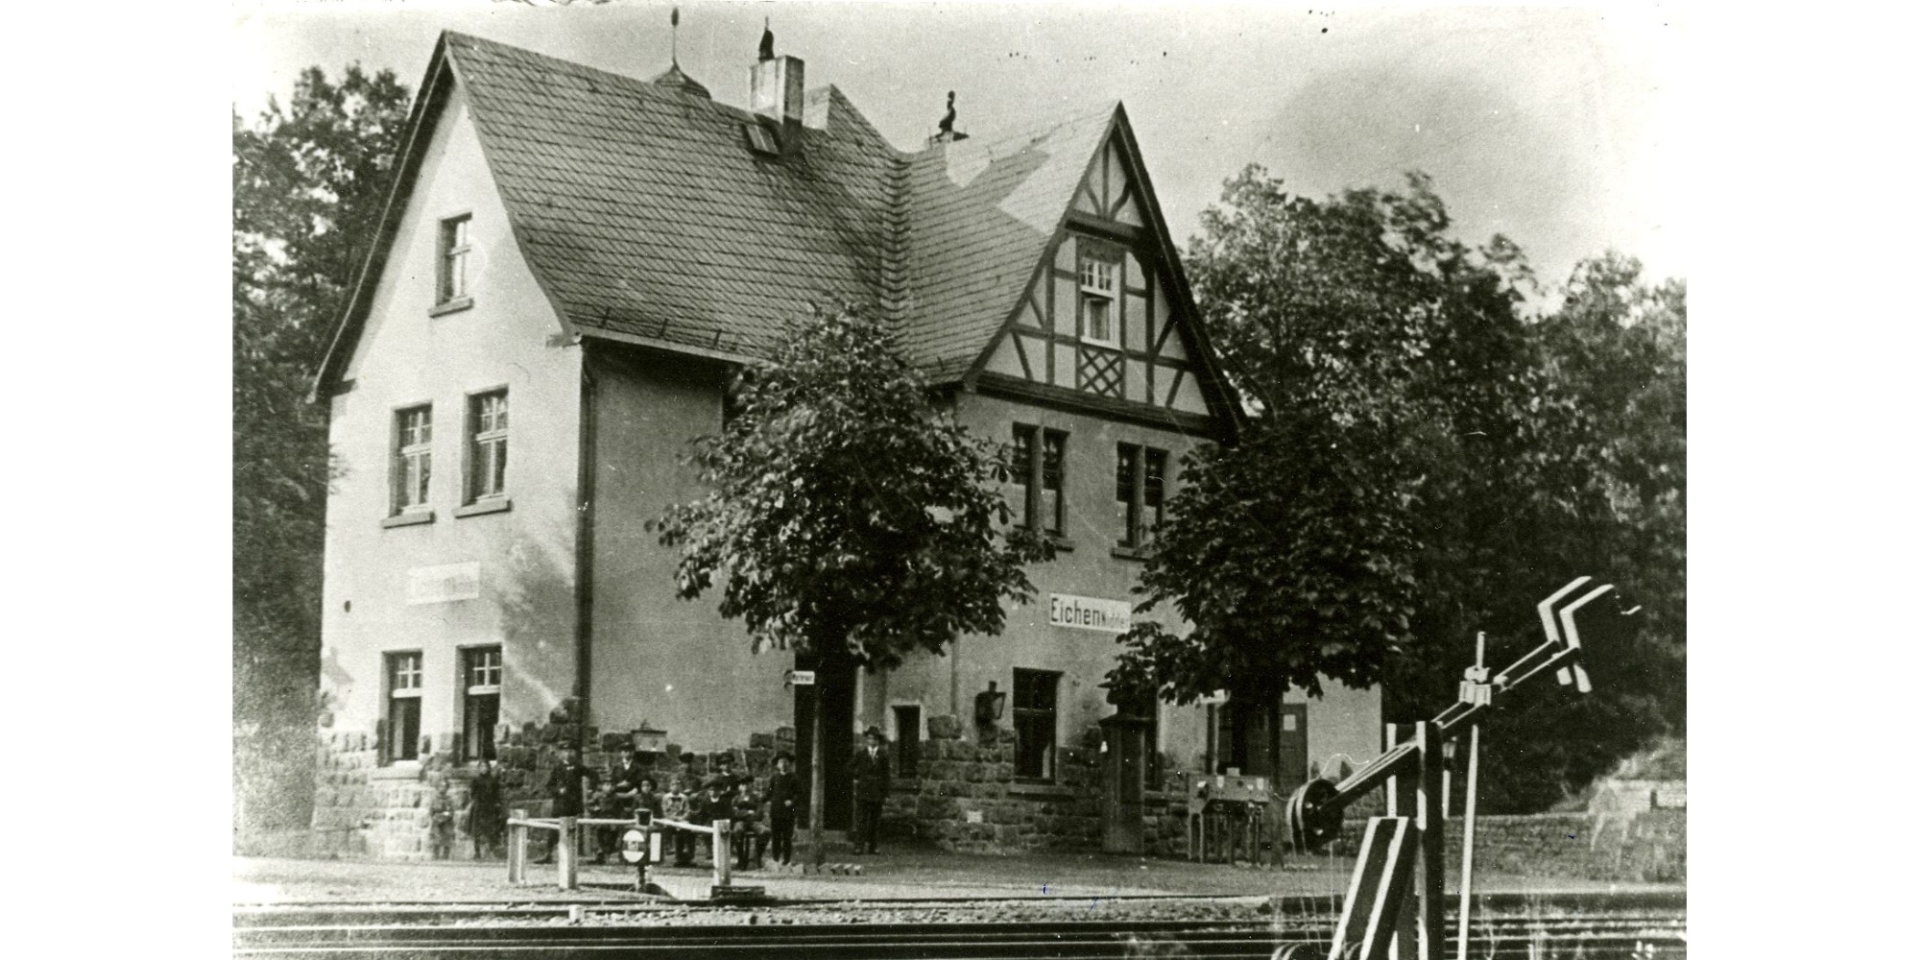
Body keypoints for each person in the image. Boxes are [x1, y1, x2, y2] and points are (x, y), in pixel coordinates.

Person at [535, 745, 598, 864]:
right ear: (561, 753)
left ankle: (573, 856)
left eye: (570, 751)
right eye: (565, 751)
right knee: (554, 830)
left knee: (574, 829)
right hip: (560, 804)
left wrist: (592, 790)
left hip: (573, 804)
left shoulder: (578, 767)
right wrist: (558, 791)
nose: (568, 754)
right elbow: (549, 786)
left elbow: (593, 775)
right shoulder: (557, 768)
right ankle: (548, 854)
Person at [849, 726, 889, 855]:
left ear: (877, 741)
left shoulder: (883, 756)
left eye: (873, 738)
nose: (870, 741)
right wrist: (857, 776)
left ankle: (873, 846)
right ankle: (858, 846)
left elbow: (886, 775)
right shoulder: (861, 755)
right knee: (861, 820)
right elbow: (849, 768)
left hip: (877, 793)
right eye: (869, 738)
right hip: (863, 792)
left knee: (875, 821)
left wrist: (885, 793)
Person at [765, 752, 799, 866]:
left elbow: (800, 794)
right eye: (781, 762)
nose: (783, 764)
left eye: (785, 762)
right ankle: (775, 859)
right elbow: (769, 793)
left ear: (789, 764)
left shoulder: (794, 778)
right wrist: (760, 800)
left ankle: (786, 860)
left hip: (788, 812)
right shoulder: (774, 778)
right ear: (777, 765)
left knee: (787, 837)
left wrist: (792, 801)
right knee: (776, 837)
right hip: (776, 811)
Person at [466, 760, 505, 859]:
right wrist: (476, 800)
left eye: (485, 766)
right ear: (479, 768)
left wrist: (497, 804)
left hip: (490, 807)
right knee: (477, 830)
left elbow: (496, 793)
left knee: (491, 829)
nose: (483, 768)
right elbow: (472, 793)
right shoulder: (476, 780)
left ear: (488, 768)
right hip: (479, 807)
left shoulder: (492, 780)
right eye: (481, 766)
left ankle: (491, 851)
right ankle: (477, 852)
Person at [660, 774, 695, 867]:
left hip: (681, 819)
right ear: (670, 786)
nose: (675, 786)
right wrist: (673, 818)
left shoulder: (684, 797)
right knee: (666, 826)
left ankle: (683, 853)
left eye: (677, 785)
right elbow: (664, 811)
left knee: (686, 829)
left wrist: (682, 818)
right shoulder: (666, 797)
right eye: (673, 784)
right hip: (670, 818)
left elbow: (688, 810)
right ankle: (668, 846)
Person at [730, 781, 765, 870]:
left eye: (746, 785)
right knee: (738, 831)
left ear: (750, 786)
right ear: (739, 787)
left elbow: (760, 814)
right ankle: (741, 859)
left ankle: (757, 858)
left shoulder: (756, 798)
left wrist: (748, 814)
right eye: (742, 785)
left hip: (754, 822)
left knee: (765, 832)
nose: (744, 787)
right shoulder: (736, 799)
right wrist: (748, 812)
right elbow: (734, 814)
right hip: (740, 822)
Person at [428, 778, 457, 860]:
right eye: (440, 786)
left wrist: (445, 815)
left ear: (447, 788)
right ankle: (435, 855)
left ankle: (445, 855)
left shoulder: (449, 799)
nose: (442, 788)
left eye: (444, 786)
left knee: (447, 837)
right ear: (437, 787)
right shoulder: (434, 799)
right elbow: (431, 811)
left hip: (447, 821)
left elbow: (451, 811)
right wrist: (435, 817)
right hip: (436, 821)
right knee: (436, 838)